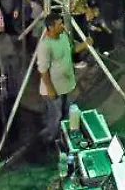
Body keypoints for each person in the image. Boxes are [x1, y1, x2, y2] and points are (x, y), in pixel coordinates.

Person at [36, 13, 87, 158]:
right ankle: (49, 142)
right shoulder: (45, 46)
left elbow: (70, 51)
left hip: (66, 86)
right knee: (56, 116)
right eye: (59, 24)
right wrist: (50, 89)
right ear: (50, 27)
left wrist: (85, 44)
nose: (63, 26)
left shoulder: (63, 36)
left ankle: (61, 138)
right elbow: (43, 70)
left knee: (65, 113)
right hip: (53, 90)